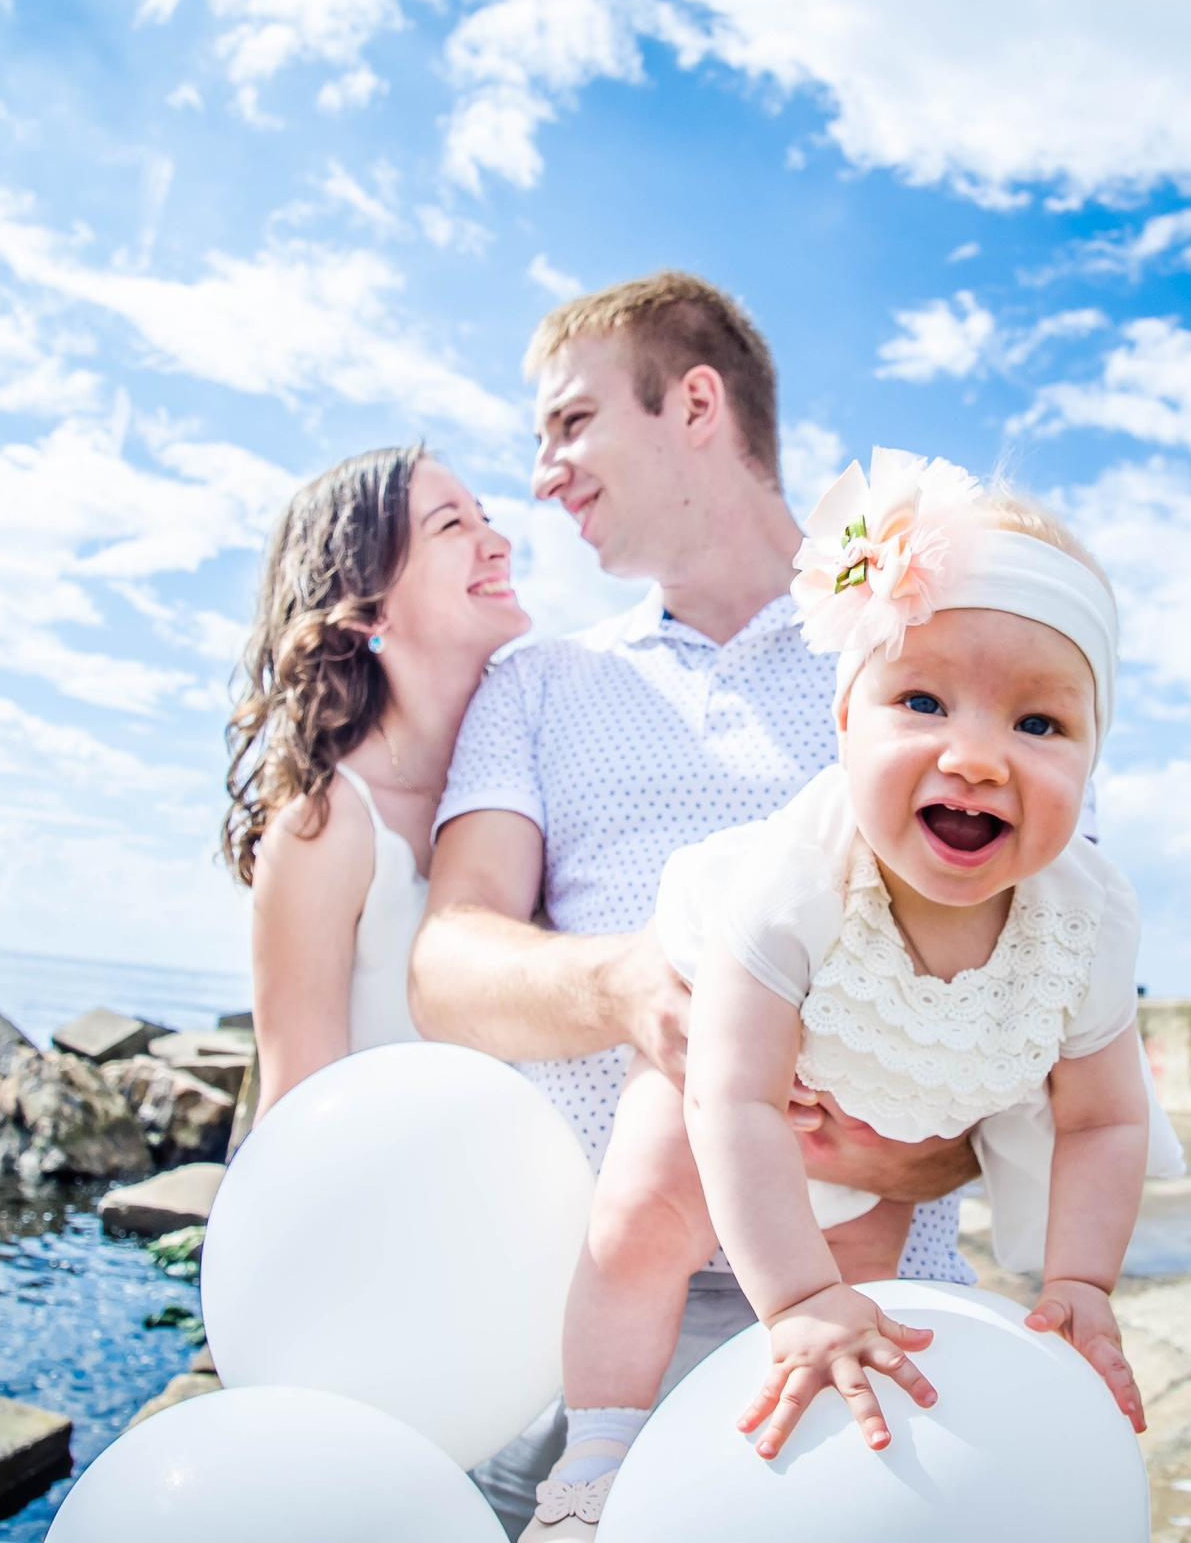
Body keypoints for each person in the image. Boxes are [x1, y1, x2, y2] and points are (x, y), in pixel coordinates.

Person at [408, 273, 986, 1534]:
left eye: (568, 423)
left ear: (695, 402)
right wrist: (636, 989)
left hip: (880, 1337)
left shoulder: (924, 659)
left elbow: (1048, 967)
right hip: (576, 1332)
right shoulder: (538, 682)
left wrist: (876, 1116)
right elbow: (444, 965)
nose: (543, 473)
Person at [524, 452, 1182, 1536]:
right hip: (738, 1066)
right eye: (921, 700)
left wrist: (1083, 1281)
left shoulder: (1087, 915)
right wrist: (793, 1300)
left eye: (1038, 724)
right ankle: (591, 1465)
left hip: (889, 1103)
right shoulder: (798, 876)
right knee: (642, 1215)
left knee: (867, 1283)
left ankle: (800, 1477)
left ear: (1094, 754)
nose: (974, 756)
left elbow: (1106, 1112)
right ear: (844, 721)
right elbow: (731, 1098)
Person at [223, 445, 529, 1119]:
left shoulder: (536, 775)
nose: (500, 543)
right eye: (453, 526)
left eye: (485, 518)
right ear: (368, 614)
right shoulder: (325, 833)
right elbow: (296, 1115)